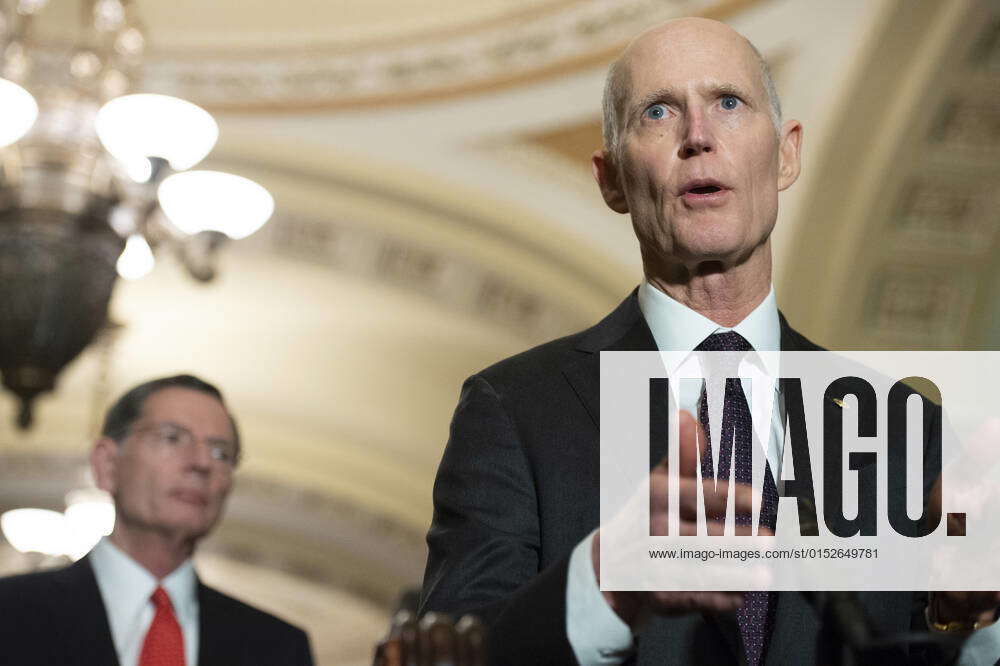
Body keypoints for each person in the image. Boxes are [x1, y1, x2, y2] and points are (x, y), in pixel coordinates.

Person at [420, 17, 1000, 665]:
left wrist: (970, 620)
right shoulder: (515, 410)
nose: (698, 136)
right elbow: (446, 653)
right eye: (659, 112)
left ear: (786, 154)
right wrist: (605, 584)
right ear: (611, 179)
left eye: (728, 103)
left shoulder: (902, 423)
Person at [0, 374, 314, 666]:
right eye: (172, 438)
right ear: (107, 464)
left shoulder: (278, 648)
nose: (202, 463)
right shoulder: (10, 612)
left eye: (221, 453)